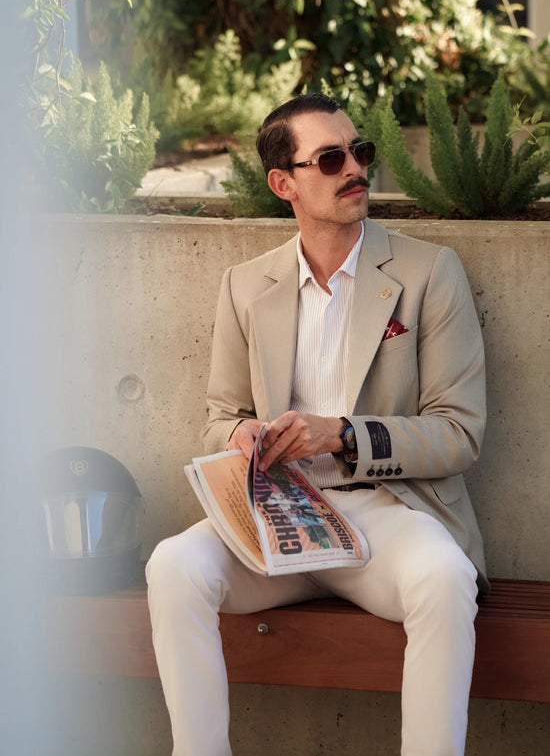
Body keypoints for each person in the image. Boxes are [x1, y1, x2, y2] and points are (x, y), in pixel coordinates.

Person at [146, 93, 488, 756]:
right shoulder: (247, 285)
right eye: (329, 158)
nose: (353, 168)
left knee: (444, 579)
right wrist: (241, 438)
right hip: (280, 521)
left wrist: (343, 434)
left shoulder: (428, 273)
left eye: (358, 152)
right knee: (173, 565)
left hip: (388, 514)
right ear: (284, 184)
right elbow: (220, 418)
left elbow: (459, 431)